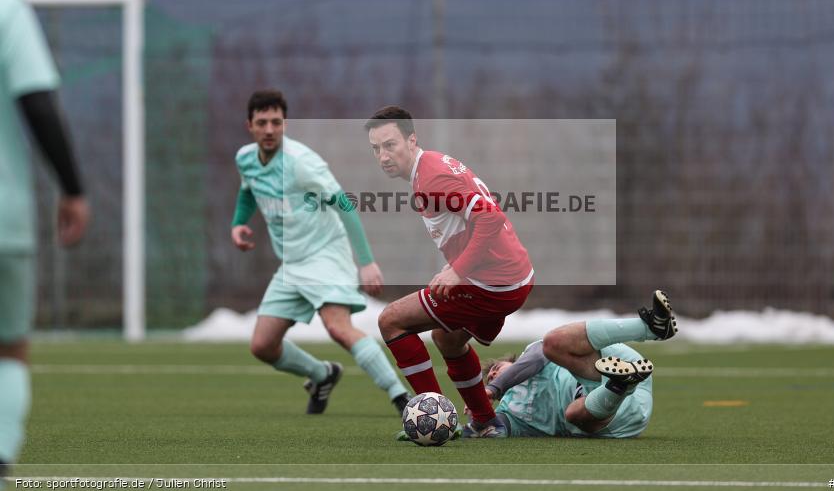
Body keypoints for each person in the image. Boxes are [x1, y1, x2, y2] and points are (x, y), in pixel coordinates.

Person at [231, 90, 409, 414]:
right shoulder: (245, 158)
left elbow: (345, 205)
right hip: (293, 263)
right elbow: (247, 192)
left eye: (276, 122)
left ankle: (403, 398)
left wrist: (366, 262)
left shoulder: (301, 163)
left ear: (284, 124)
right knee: (262, 345)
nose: (269, 129)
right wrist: (238, 223)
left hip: (326, 253)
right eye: (262, 123)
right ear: (250, 126)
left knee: (338, 327)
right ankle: (322, 374)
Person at [365, 106, 534, 437]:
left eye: (390, 144)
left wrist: (458, 270)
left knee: (391, 320)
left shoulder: (431, 177)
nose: (383, 155)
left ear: (411, 140)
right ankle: (487, 423)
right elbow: (472, 221)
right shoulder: (431, 165)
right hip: (514, 277)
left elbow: (490, 217)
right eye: (376, 148)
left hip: (491, 284)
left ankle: (436, 418)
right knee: (448, 338)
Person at [0, 0, 90, 483]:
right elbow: (37, 104)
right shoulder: (8, 9)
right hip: (4, 215)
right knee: (9, 349)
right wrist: (72, 189)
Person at [479, 291, 677, 438]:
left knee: (553, 342)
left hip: (611, 364)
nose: (493, 375)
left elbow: (536, 357)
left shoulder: (530, 356)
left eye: (495, 369)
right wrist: (478, 421)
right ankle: (620, 384)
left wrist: (495, 388)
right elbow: (496, 429)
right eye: (490, 377)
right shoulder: (509, 413)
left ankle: (651, 328)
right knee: (573, 414)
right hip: (614, 414)